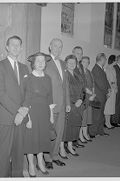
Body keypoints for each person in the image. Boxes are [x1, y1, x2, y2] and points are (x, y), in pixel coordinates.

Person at [0, 35, 29, 177]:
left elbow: (29, 92)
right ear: (7, 47)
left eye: (18, 45)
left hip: (22, 117)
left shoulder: (25, 68)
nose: (15, 47)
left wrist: (23, 111)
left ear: (21, 48)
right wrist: (18, 111)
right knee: (3, 153)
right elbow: (0, 93)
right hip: (6, 117)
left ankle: (17, 175)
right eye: (12, 44)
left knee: (19, 152)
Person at [22, 52, 55, 177]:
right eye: (38, 61)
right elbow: (26, 100)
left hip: (44, 113)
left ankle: (40, 162)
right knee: (31, 139)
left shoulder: (48, 78)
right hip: (32, 113)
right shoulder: (28, 78)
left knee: (41, 138)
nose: (41, 63)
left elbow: (50, 97)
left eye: (43, 61)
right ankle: (31, 164)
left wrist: (51, 114)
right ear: (33, 63)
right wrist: (28, 118)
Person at [44, 38, 71, 169]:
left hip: (62, 104)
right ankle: (47, 158)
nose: (58, 49)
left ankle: (54, 156)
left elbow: (65, 85)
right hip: (50, 105)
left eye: (60, 47)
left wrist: (68, 102)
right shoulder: (44, 62)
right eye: (55, 46)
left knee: (59, 132)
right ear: (50, 46)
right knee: (49, 132)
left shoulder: (63, 63)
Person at [63, 55, 84, 157]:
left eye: (74, 63)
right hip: (69, 104)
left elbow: (82, 89)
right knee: (67, 128)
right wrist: (72, 102)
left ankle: (70, 145)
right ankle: (64, 147)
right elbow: (64, 92)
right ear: (66, 63)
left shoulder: (77, 74)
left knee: (75, 126)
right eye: (69, 62)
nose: (72, 64)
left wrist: (81, 99)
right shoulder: (64, 74)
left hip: (78, 104)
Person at [89, 53, 111, 137]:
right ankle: (92, 132)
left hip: (102, 95)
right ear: (101, 59)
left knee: (101, 114)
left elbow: (106, 81)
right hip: (98, 96)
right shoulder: (96, 69)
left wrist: (109, 88)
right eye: (105, 59)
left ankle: (100, 130)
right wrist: (107, 91)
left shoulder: (101, 68)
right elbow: (100, 84)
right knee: (96, 115)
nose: (105, 60)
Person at [72, 46, 87, 147]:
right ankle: (71, 141)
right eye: (77, 53)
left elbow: (83, 81)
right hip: (74, 97)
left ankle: (75, 139)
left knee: (79, 119)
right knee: (73, 120)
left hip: (82, 96)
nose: (79, 55)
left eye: (81, 53)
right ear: (73, 53)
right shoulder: (70, 64)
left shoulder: (81, 66)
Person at [80, 56, 96, 141]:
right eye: (84, 62)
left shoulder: (89, 72)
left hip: (90, 97)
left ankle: (85, 133)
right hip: (83, 97)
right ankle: (80, 135)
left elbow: (93, 84)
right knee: (82, 117)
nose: (85, 63)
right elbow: (82, 86)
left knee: (87, 117)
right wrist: (91, 93)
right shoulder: (79, 72)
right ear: (81, 62)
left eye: (87, 62)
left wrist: (93, 94)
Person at [104, 55, 117, 129]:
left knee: (111, 107)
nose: (116, 61)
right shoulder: (107, 68)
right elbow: (108, 80)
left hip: (114, 90)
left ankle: (108, 122)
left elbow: (115, 80)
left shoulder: (113, 69)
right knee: (108, 107)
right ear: (113, 60)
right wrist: (113, 85)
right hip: (110, 90)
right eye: (115, 60)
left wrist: (116, 87)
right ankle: (106, 122)